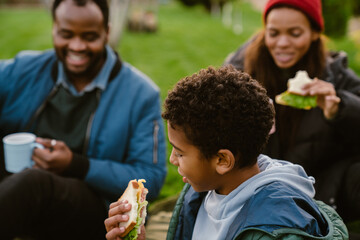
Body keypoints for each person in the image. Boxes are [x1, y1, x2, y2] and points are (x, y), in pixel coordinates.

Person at [104, 65, 348, 240]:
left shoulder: (274, 229)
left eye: (179, 152)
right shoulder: (199, 192)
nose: (172, 159)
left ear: (222, 160)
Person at [0, 0, 166, 239]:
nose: (76, 46)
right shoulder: (24, 69)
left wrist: (76, 165)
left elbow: (152, 176)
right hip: (19, 191)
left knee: (33, 183)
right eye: (66, 34)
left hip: (97, 209)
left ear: (107, 32)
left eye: (89, 37)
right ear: (54, 29)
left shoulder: (141, 94)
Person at [225, 0, 360, 225]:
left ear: (315, 32)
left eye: (295, 33)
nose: (283, 43)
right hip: (255, 187)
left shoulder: (335, 74)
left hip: (321, 187)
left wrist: (339, 109)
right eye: (274, 33)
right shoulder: (240, 71)